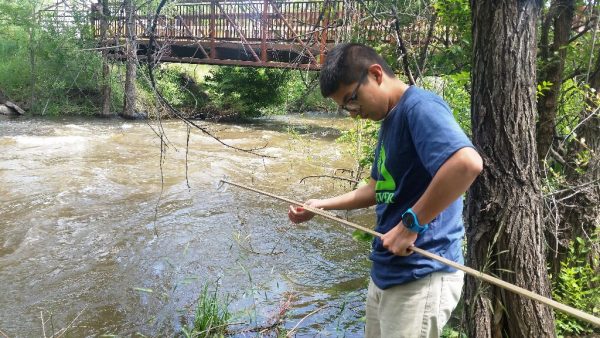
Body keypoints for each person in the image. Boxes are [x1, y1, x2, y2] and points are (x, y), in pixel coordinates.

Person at [288, 43, 483, 338]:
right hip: (388, 272)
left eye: (352, 100)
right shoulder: (390, 120)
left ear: (376, 74)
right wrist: (322, 205)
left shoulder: (419, 107)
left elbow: (466, 163)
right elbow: (378, 187)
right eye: (345, 108)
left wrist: (411, 224)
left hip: (420, 272)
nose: (352, 113)